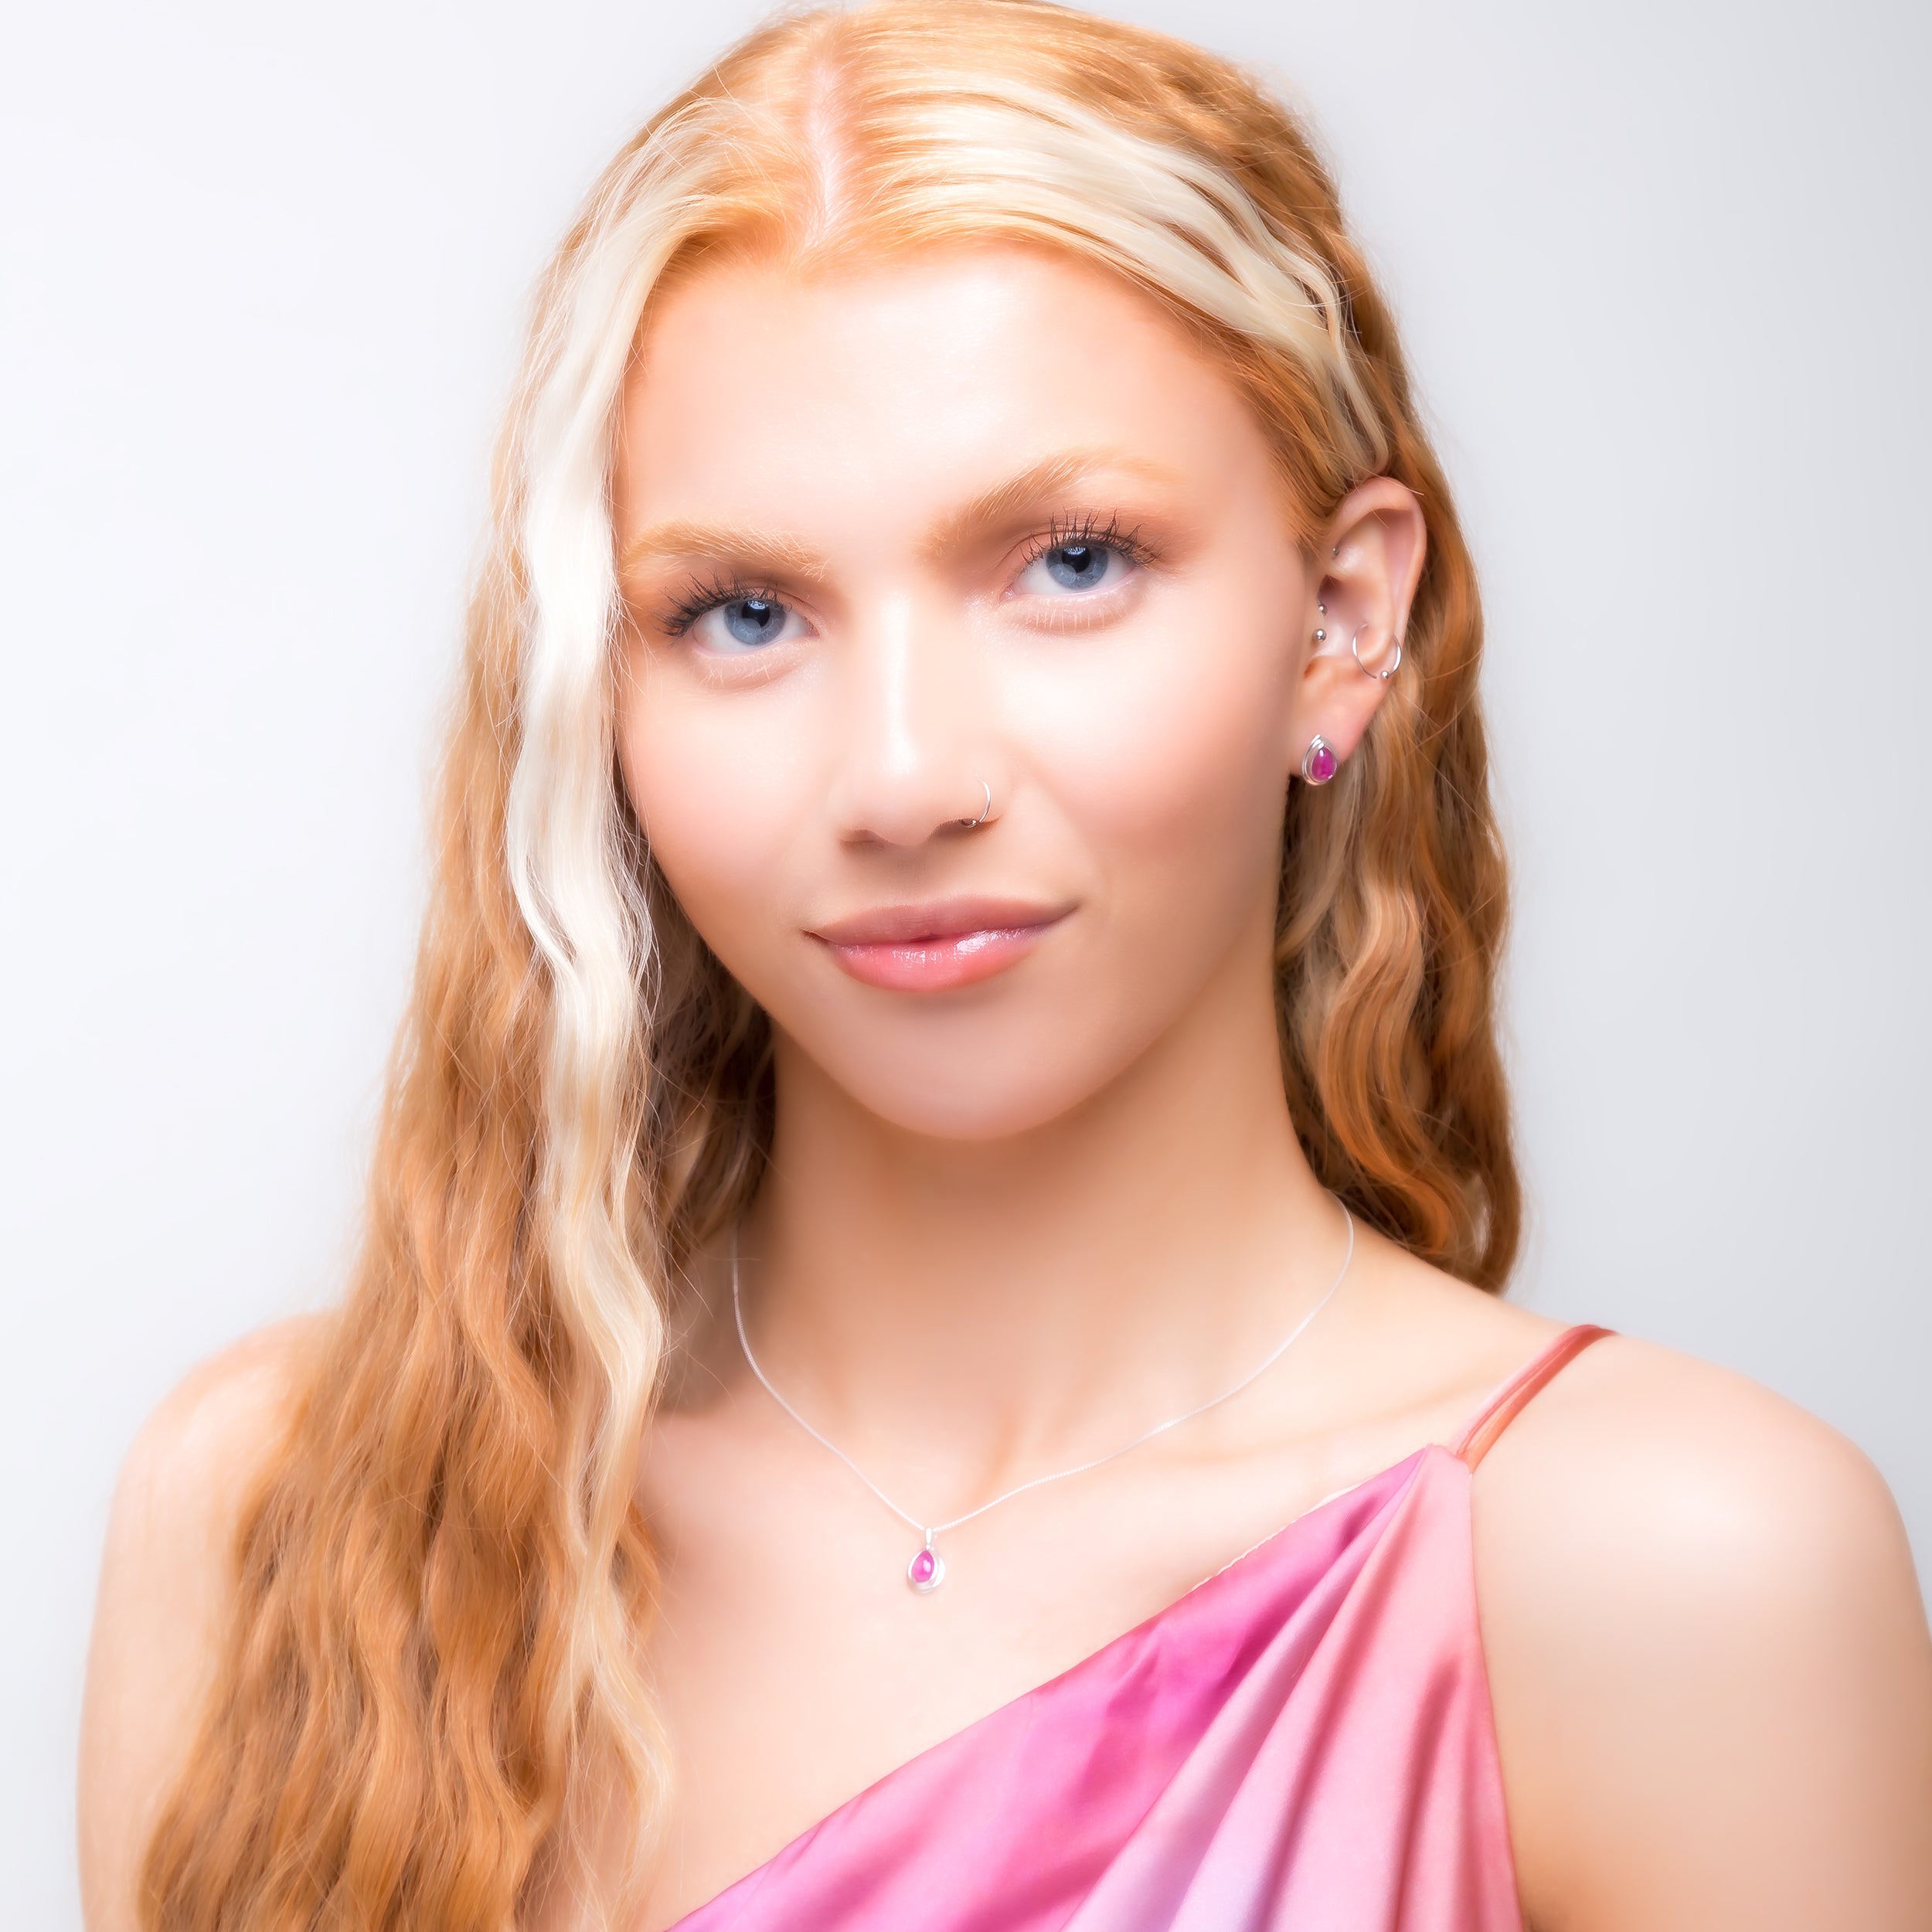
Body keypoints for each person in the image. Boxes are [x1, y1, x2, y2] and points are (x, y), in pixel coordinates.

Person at [77, 4, 1932, 1928]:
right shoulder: (275, 1512)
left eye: (1069, 563)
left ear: (1337, 621)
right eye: (742, 612)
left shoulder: (1669, 1577)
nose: (900, 779)